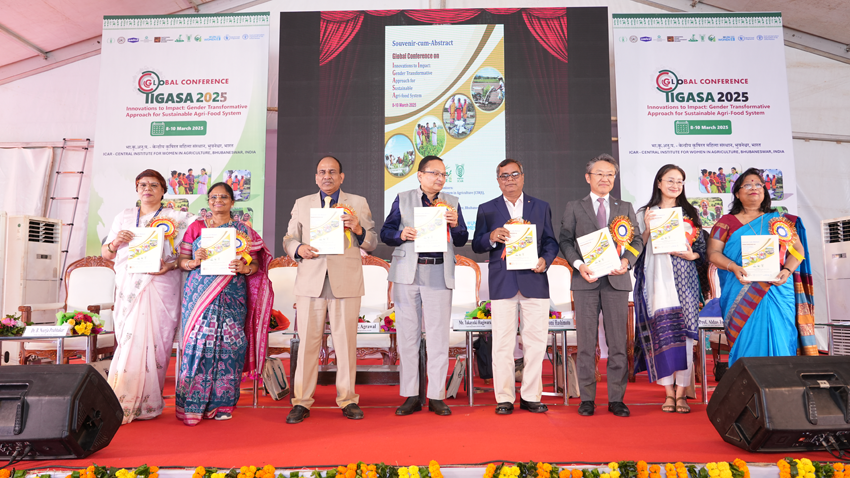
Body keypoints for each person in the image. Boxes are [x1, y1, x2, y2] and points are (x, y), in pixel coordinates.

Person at [283, 156, 377, 424]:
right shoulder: (303, 204)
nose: (327, 176)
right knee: (308, 344)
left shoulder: (357, 203)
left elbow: (371, 242)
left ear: (341, 177)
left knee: (346, 344)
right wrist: (297, 249)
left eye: (332, 172)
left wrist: (358, 228)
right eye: (322, 172)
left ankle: (347, 399)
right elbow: (289, 238)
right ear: (316, 177)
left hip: (345, 281)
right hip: (311, 281)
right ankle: (301, 401)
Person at [175, 182, 273, 425]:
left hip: (232, 294)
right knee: (197, 344)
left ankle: (224, 403)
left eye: (223, 197)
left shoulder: (243, 231)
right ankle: (193, 402)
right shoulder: (195, 228)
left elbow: (257, 265)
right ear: (208, 201)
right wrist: (193, 262)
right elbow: (181, 261)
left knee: (231, 344)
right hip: (199, 295)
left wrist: (245, 267)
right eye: (213, 197)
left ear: (232, 201)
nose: (218, 201)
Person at [101, 169, 193, 424]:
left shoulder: (178, 218)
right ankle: (123, 400)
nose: (147, 189)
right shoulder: (124, 217)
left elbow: (189, 253)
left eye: (154, 185)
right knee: (130, 340)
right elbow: (107, 254)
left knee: (157, 343)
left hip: (161, 284)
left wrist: (172, 265)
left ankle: (149, 402)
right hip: (130, 286)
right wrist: (115, 242)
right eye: (142, 184)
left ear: (164, 190)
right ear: (137, 189)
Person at [381, 155, 468, 417]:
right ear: (420, 175)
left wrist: (455, 225)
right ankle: (411, 395)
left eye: (443, 174)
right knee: (407, 336)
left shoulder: (452, 203)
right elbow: (386, 233)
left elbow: (462, 239)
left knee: (438, 337)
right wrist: (400, 235)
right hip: (408, 271)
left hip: (439, 271)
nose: (439, 178)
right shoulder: (403, 198)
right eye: (434, 173)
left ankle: (436, 396)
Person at [472, 159, 559, 415]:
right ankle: (504, 398)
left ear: (523, 176)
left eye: (514, 174)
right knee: (501, 343)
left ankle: (531, 395)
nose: (509, 179)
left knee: (535, 343)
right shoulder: (487, 209)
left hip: (535, 280)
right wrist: (490, 237)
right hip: (503, 283)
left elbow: (551, 242)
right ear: (497, 180)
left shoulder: (541, 207)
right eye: (503, 176)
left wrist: (546, 260)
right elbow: (477, 244)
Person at [559, 153, 643, 418]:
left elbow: (637, 241)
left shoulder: (625, 207)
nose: (605, 179)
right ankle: (587, 399)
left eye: (610, 175)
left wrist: (627, 262)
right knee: (586, 343)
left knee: (618, 343)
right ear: (588, 178)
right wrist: (578, 265)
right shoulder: (574, 206)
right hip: (586, 281)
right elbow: (565, 241)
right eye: (600, 174)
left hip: (616, 281)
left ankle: (616, 399)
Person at [706, 168, 816, 366]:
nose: (753, 188)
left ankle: (783, 389)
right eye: (747, 185)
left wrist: (787, 270)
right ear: (738, 193)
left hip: (777, 289)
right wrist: (733, 267)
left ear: (764, 192)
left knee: (782, 337)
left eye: (758, 184)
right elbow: (713, 253)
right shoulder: (725, 223)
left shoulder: (779, 221)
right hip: (740, 288)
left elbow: (798, 250)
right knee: (746, 342)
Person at [633, 165, 706, 414]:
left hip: (685, 281)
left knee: (685, 337)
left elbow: (703, 252)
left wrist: (691, 253)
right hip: (657, 282)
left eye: (680, 181)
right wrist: (645, 229)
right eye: (671, 180)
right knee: (662, 335)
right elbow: (635, 249)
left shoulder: (690, 214)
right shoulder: (645, 212)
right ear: (659, 183)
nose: (675, 185)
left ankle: (682, 393)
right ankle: (667, 393)